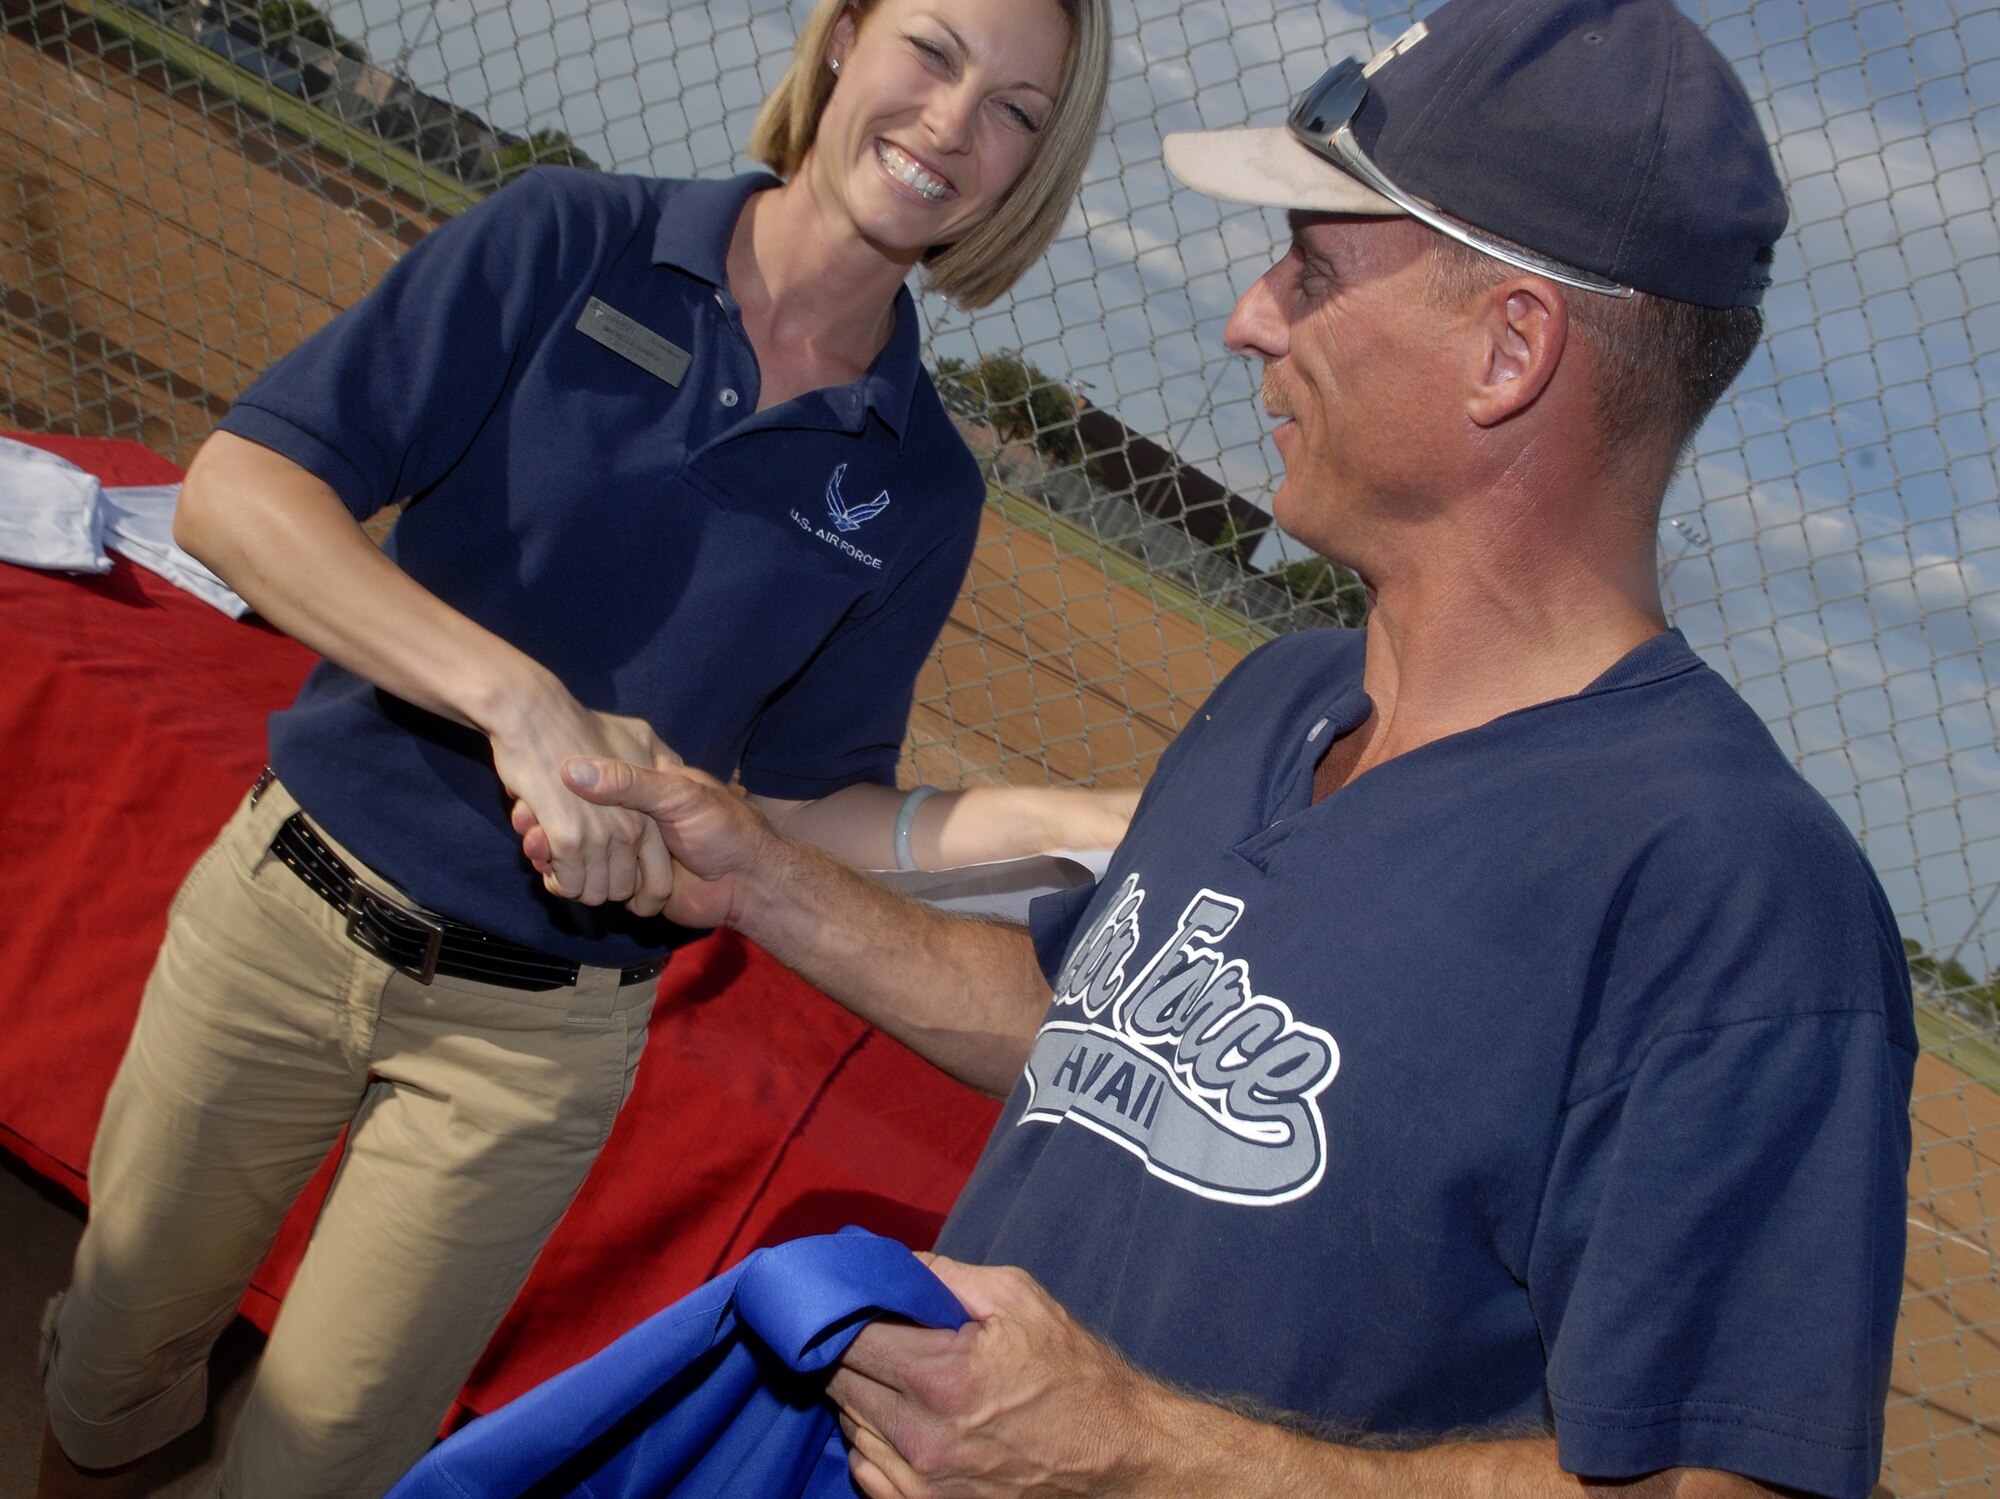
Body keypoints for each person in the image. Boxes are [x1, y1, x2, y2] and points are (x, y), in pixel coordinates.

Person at [540, 0, 1917, 1494]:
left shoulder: (1733, 894)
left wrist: (1140, 1457)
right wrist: (755, 878)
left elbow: (1720, 1483)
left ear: (1509, 352)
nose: (1247, 315)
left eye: (1312, 270)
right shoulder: (1284, 696)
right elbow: (1090, 1031)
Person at [37, 1, 1116, 1495]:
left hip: (536, 1034)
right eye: (931, 52)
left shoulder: (919, 480)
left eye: (1013, 108)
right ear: (844, 42)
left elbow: (814, 801)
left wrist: (1096, 813)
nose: (951, 123)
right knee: (115, 1356)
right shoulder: (569, 240)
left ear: (1031, 167)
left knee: (327, 1458)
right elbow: (239, 494)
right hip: (293, 903)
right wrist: (517, 700)